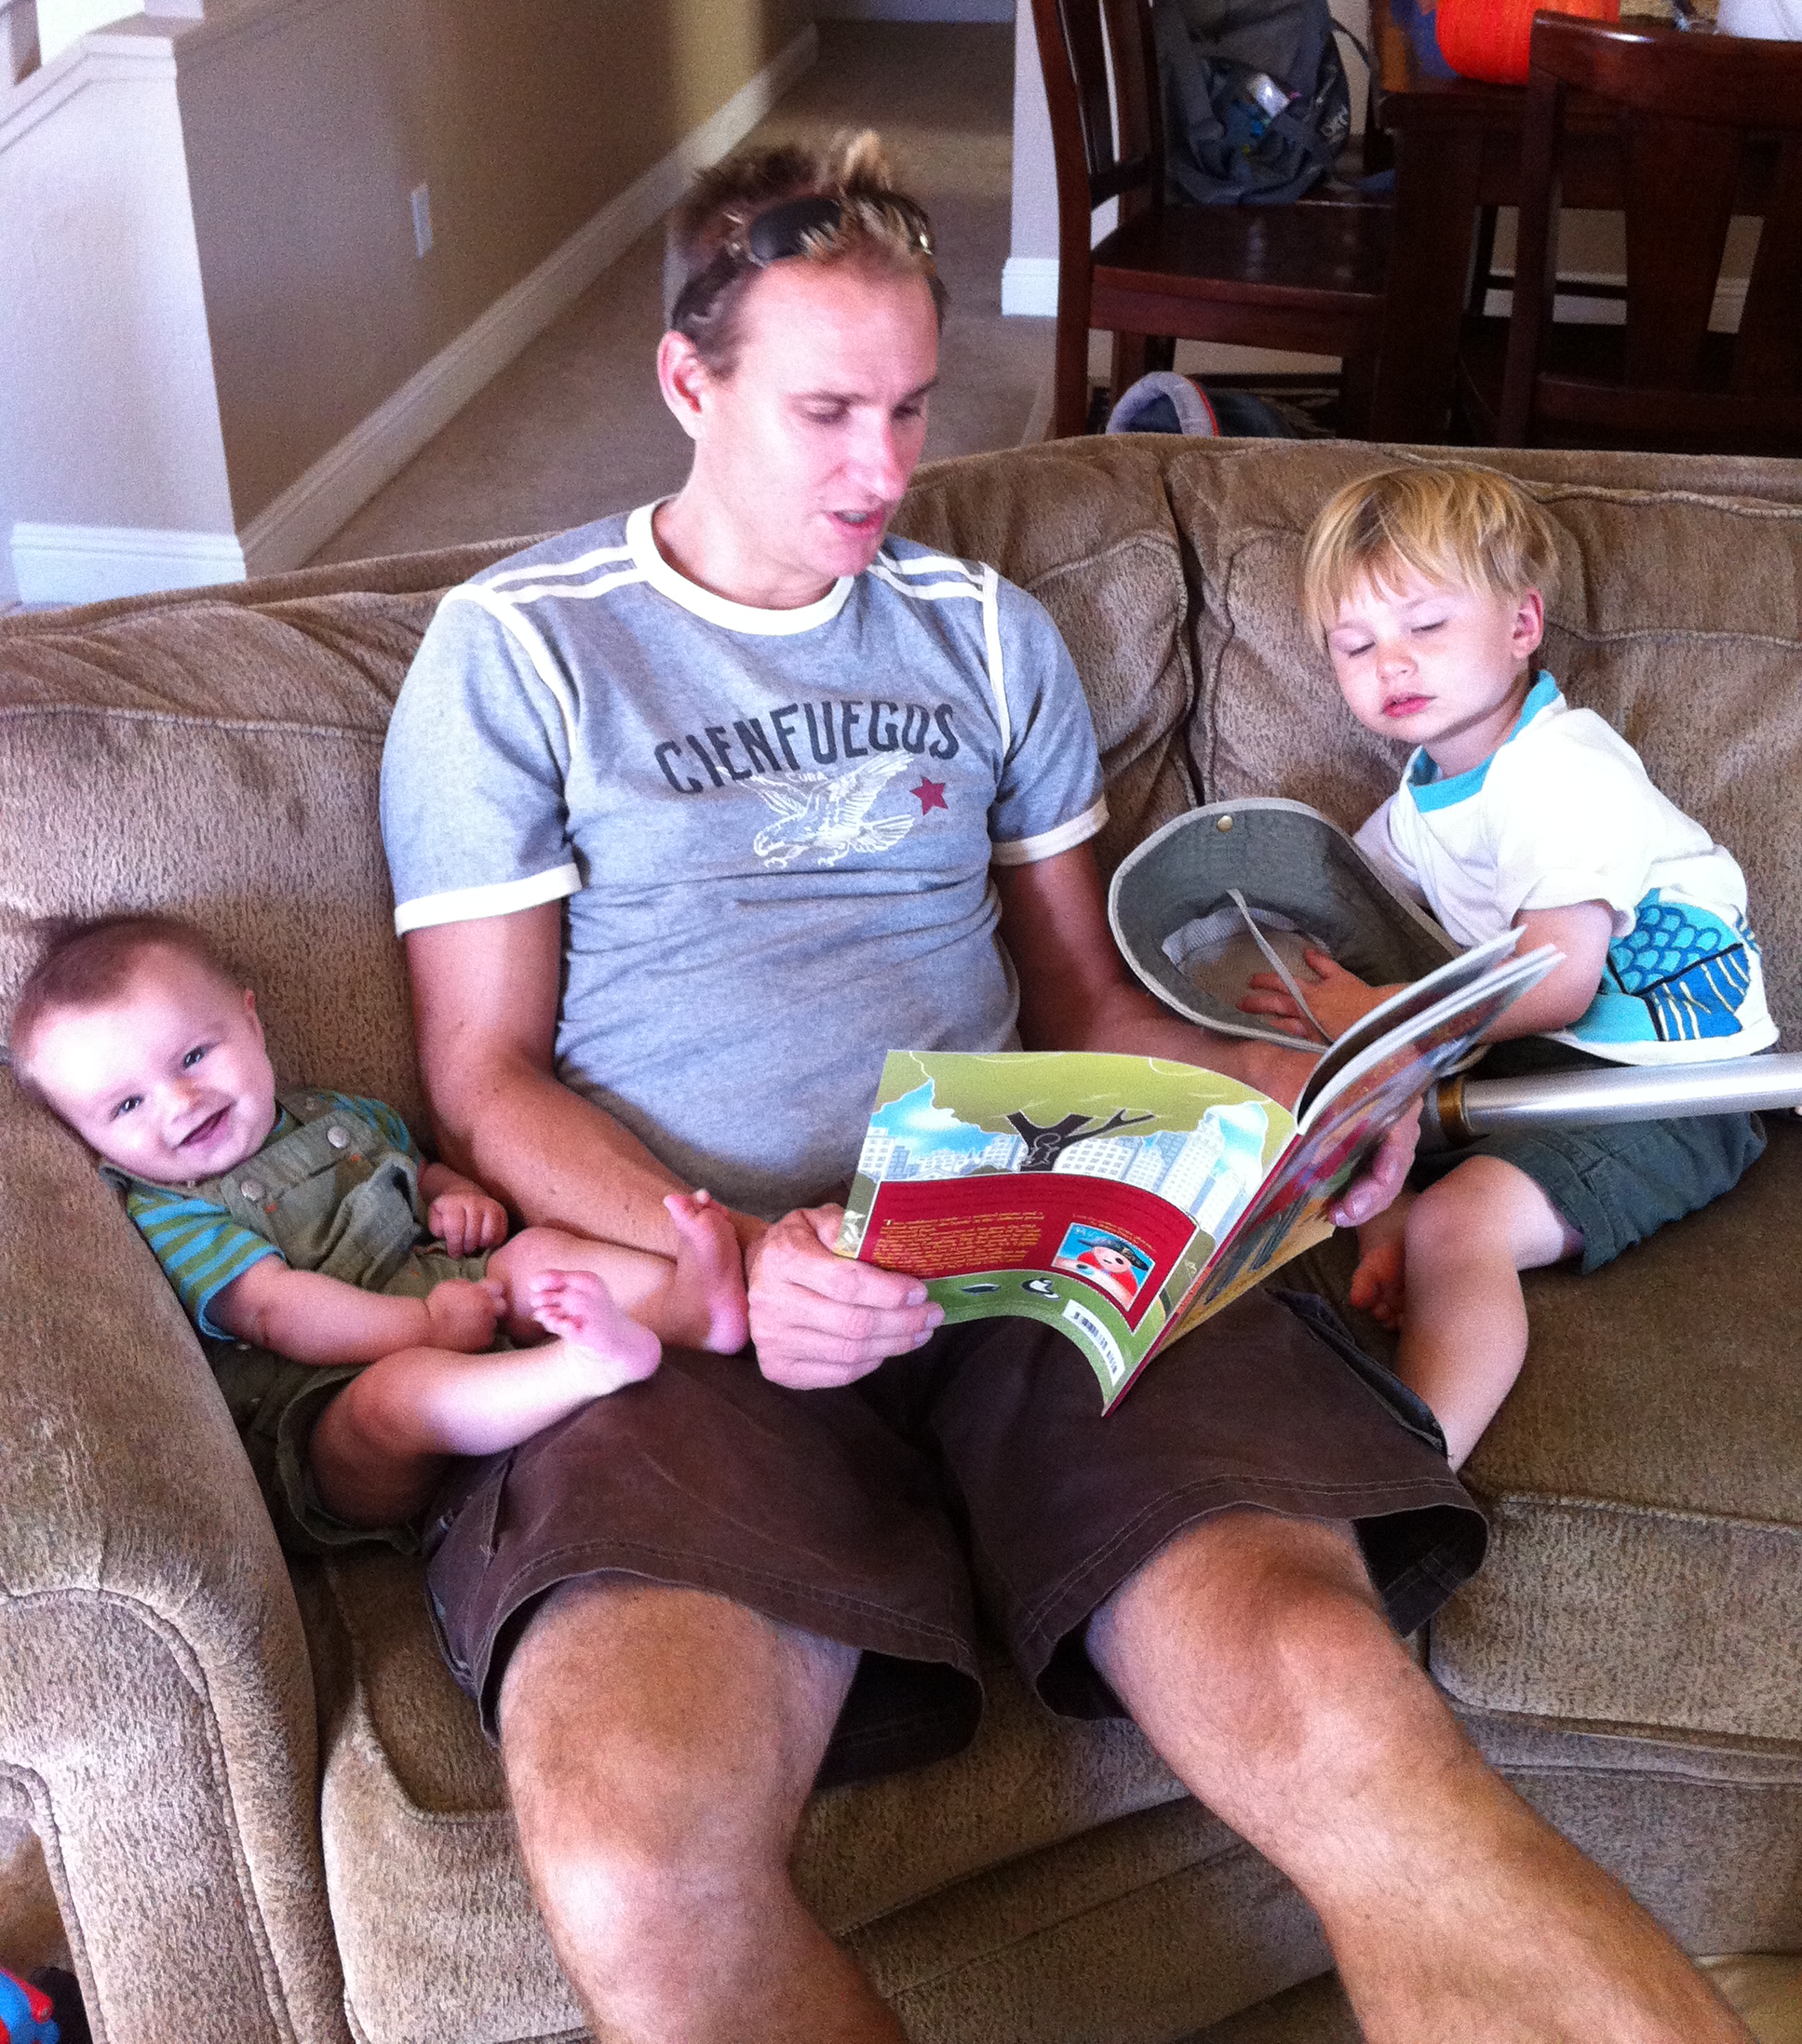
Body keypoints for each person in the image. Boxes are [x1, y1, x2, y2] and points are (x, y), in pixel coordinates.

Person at [378, 133, 1751, 2042]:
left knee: (1346, 1713)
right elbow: (484, 1078)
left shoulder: (980, 635)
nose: (881, 468)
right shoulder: (522, 651)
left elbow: (1085, 998)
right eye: (826, 411)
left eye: (911, 408)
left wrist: (1302, 1097)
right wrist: (746, 1261)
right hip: (689, 1303)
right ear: (688, 383)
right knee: (633, 1855)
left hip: (1022, 1243)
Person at [1244, 464, 1769, 1468]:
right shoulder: (1422, 800)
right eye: (1356, 644)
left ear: (1522, 624)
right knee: (1323, 1123)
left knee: (1461, 1227)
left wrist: (1381, 1012)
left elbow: (1558, 980)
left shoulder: (1560, 771)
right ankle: (1384, 1223)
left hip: (1668, 1091)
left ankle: (1414, 1473)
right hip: (1535, 1074)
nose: (1392, 662)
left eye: (1425, 626)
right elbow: (1343, 901)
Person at [8, 913, 746, 1544]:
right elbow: (276, 1310)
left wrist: (457, 1197)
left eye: (194, 1056)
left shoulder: (338, 1113)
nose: (180, 1101)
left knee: (535, 1254)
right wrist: (422, 1326)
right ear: (88, 1141)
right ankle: (583, 1369)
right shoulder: (168, 1210)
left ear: (251, 1022)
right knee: (398, 1395)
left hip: (450, 1292)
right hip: (329, 1417)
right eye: (127, 1106)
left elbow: (416, 1170)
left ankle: (687, 1311)